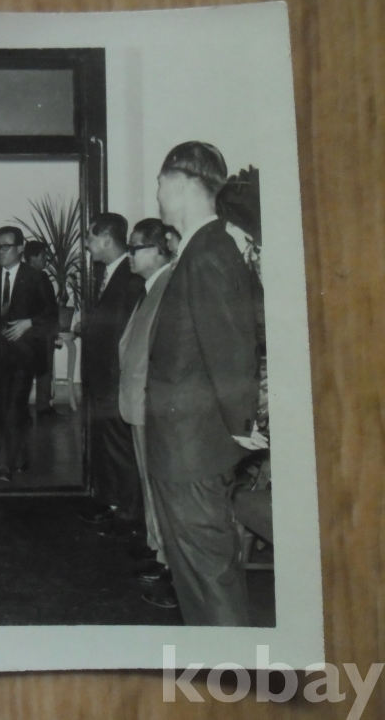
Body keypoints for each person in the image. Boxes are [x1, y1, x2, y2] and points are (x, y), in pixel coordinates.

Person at [147, 141, 261, 626]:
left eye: (160, 184)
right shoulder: (203, 248)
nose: (157, 194)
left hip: (192, 452)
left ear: (181, 184)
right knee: (198, 579)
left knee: (209, 581)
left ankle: (233, 670)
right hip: (186, 449)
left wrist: (241, 425)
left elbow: (231, 347)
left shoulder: (209, 252)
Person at [0, 227, 58, 482]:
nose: (0, 251)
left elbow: (51, 315)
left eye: (6, 246)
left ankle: (4, 463)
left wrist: (29, 322)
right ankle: (20, 453)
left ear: (20, 249)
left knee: (15, 403)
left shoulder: (37, 278)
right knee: (6, 404)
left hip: (25, 354)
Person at [116, 218, 177, 608]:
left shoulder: (168, 287)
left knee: (158, 486)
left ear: (157, 251)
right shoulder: (150, 287)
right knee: (148, 483)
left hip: (151, 404)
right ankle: (158, 551)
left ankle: (169, 564)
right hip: (138, 402)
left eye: (136, 248)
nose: (130, 255)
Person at [78, 213, 146, 539]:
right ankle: (109, 502)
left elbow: (124, 336)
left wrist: (114, 385)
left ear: (106, 239)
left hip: (113, 382)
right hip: (102, 381)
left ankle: (130, 515)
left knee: (120, 448)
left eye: (90, 238)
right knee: (106, 446)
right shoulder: (110, 274)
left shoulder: (129, 278)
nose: (87, 245)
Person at [22, 240, 60, 416]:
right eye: (44, 255)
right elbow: (49, 307)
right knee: (44, 371)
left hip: (24, 332)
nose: (46, 259)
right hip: (42, 331)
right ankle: (43, 408)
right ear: (33, 256)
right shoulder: (41, 277)